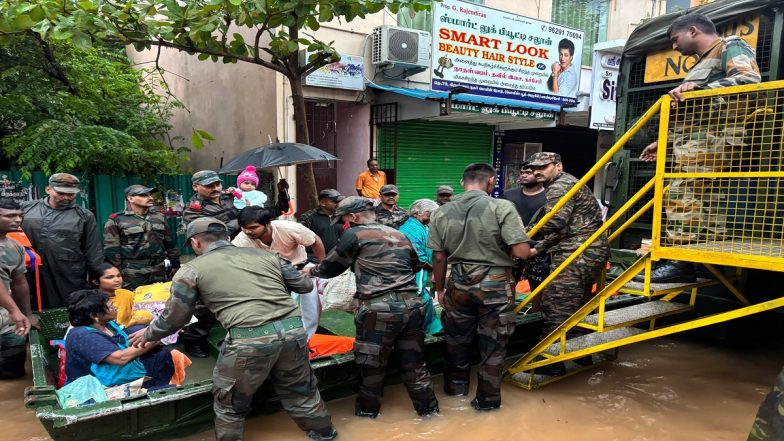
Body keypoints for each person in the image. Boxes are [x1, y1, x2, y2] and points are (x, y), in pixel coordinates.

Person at [128, 217, 337, 441]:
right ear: (228, 238)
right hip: (293, 333)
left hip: (248, 341)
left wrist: (148, 333)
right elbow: (305, 285)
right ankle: (326, 435)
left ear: (195, 243)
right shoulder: (269, 256)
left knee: (229, 406)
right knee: (302, 394)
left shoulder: (190, 271)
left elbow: (176, 318)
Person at [636, 13, 761, 283]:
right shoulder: (704, 61)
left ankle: (681, 261)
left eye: (675, 39)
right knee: (710, 199)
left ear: (692, 31)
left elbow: (749, 81)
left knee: (681, 192)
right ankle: (703, 263)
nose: (674, 47)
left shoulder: (730, 45)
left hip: (715, 139)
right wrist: (665, 142)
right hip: (702, 139)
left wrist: (701, 88)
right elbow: (696, 113)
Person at [307, 196, 439, 419]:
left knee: (371, 369)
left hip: (379, 311)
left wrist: (309, 272)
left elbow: (330, 268)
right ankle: (430, 413)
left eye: (345, 219)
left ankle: (367, 418)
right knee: (415, 366)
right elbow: (417, 264)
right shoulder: (399, 233)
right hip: (413, 306)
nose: (344, 224)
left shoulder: (354, 234)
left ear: (354, 216)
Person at [428, 163, 531, 411]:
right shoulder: (501, 207)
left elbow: (439, 258)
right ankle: (487, 403)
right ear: (491, 182)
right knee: (493, 346)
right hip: (494, 286)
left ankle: (455, 389)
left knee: (456, 340)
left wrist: (440, 290)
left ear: (463, 183)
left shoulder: (441, 212)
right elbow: (522, 252)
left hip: (458, 285)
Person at [526, 152, 610, 376]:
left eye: (543, 167)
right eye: (534, 168)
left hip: (577, 254)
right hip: (591, 250)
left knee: (556, 306)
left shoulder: (559, 186)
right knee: (578, 306)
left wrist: (522, 234)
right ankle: (581, 355)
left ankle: (549, 363)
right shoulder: (570, 182)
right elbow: (568, 227)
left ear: (558, 166)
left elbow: (555, 221)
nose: (537, 172)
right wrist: (539, 247)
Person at [233, 206, 325, 338]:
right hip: (268, 275)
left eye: (253, 228)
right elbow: (234, 259)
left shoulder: (289, 228)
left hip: (299, 269)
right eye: (243, 227)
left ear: (267, 224)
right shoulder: (242, 239)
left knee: (309, 309)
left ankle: (305, 340)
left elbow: (315, 240)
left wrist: (323, 267)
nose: (248, 231)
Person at [21, 173, 104, 308]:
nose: (66, 197)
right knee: (29, 305)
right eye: (60, 193)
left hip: (67, 274)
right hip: (29, 271)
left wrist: (99, 277)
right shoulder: (26, 209)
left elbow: (93, 250)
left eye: (71, 194)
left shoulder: (84, 216)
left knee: (69, 308)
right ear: (48, 189)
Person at [65, 289, 174, 388]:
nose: (115, 308)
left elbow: (129, 344)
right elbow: (121, 358)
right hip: (97, 387)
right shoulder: (82, 335)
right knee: (170, 389)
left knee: (164, 356)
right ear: (94, 315)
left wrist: (156, 332)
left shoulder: (108, 324)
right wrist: (159, 335)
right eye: (111, 306)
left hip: (118, 374)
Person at [104, 185, 180, 290]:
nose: (150, 198)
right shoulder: (117, 220)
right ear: (130, 199)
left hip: (158, 269)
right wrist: (116, 272)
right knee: (133, 301)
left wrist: (175, 264)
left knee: (157, 302)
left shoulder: (159, 217)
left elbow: (169, 243)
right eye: (144, 195)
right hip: (132, 272)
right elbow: (111, 249)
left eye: (150, 195)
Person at [502, 162, 550, 293]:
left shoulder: (549, 197)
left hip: (538, 249)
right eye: (522, 173)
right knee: (508, 284)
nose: (523, 176)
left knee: (538, 288)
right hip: (513, 247)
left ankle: (536, 313)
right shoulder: (508, 195)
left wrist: (540, 248)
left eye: (528, 173)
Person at [0, 199, 35, 379]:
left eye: (20, 215)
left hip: (6, 321)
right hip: (10, 312)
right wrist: (15, 311)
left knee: (13, 373)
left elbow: (19, 283)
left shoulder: (15, 247)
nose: (18, 220)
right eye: (10, 216)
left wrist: (27, 314)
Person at [398, 199, 442, 335]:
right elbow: (418, 257)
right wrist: (432, 268)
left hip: (418, 270)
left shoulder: (420, 227)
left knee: (424, 297)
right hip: (415, 270)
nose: (431, 217)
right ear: (418, 214)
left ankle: (431, 327)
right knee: (420, 297)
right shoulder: (412, 228)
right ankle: (426, 329)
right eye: (429, 214)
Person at [183, 170, 239, 237]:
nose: (216, 188)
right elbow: (213, 233)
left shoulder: (229, 196)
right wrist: (243, 220)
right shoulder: (193, 210)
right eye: (209, 186)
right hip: (221, 245)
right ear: (195, 187)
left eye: (218, 184)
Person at [298, 189, 346, 255]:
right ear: (322, 203)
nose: (338, 204)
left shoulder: (343, 216)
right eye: (335, 201)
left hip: (338, 258)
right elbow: (299, 237)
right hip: (313, 259)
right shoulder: (308, 217)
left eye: (339, 201)